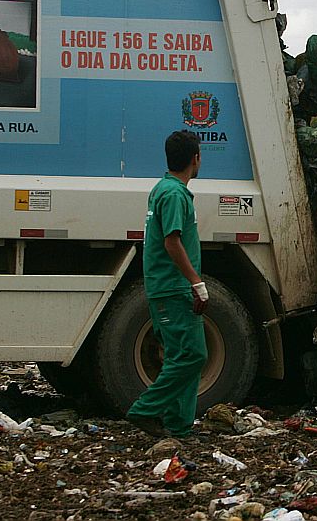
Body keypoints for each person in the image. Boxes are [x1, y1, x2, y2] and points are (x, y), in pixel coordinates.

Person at [127, 130, 210, 438]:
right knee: (193, 355)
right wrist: (196, 282)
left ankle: (179, 426)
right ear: (195, 159)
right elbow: (172, 241)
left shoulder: (163, 189)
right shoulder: (174, 194)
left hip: (166, 285)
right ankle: (144, 409)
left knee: (181, 357)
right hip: (173, 286)